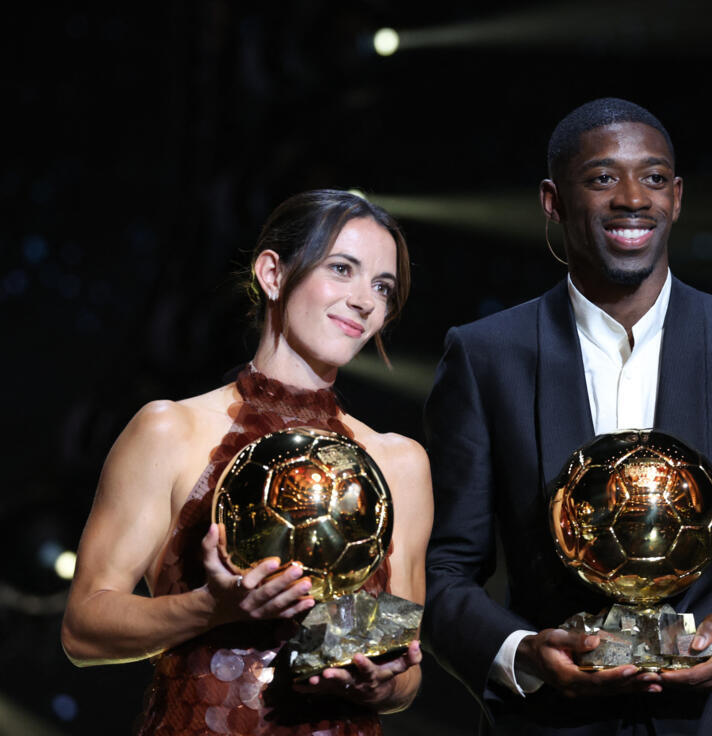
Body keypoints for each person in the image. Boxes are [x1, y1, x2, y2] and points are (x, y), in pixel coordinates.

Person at [423, 98, 712, 734]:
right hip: (554, 722)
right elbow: (443, 572)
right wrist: (523, 653)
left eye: (653, 178)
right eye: (602, 178)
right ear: (553, 201)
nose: (633, 198)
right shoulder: (487, 354)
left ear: (677, 197)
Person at [61, 190, 433, 735]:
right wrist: (211, 608)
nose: (364, 300)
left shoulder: (398, 463)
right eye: (342, 269)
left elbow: (401, 673)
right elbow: (83, 629)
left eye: (382, 286)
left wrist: (378, 681)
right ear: (272, 273)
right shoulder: (171, 430)